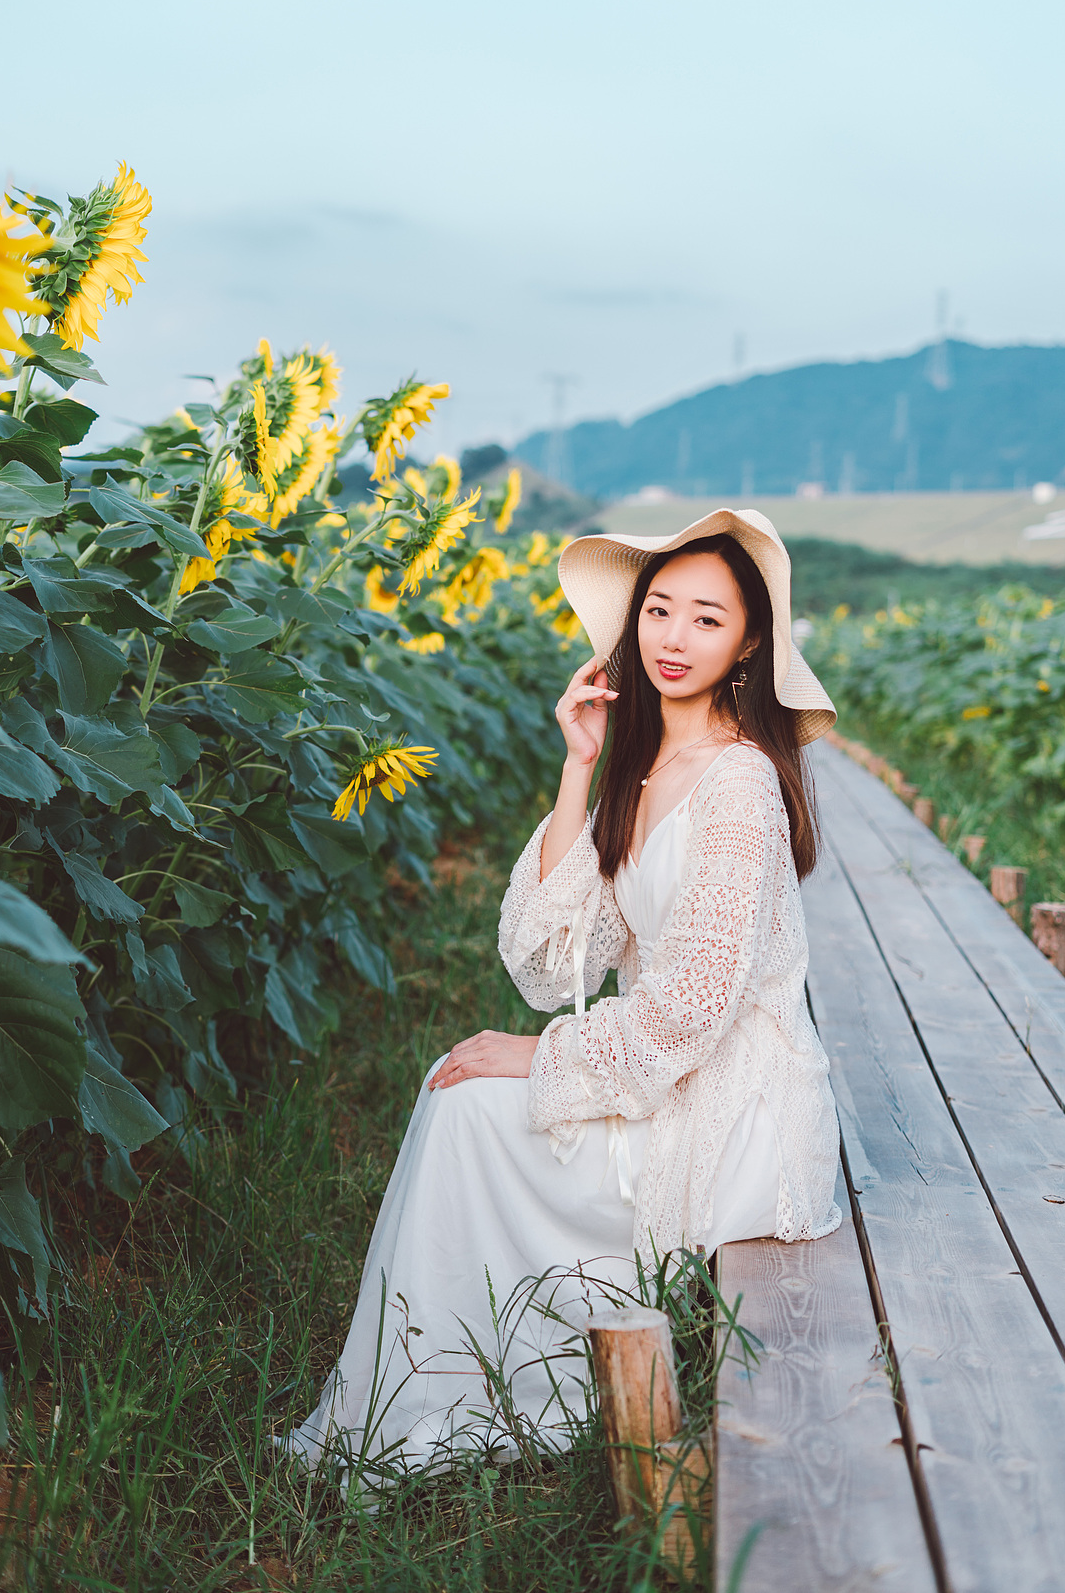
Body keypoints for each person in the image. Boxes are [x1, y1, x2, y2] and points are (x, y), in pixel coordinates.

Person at [288, 508, 842, 1478]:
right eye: (658, 609)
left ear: (749, 642)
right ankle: (419, 1390)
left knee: (468, 1104)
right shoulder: (643, 768)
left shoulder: (740, 784)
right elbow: (548, 960)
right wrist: (578, 764)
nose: (673, 636)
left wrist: (540, 1054)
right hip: (668, 1072)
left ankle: (435, 1400)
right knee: (457, 1091)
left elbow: (694, 1004)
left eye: (706, 618)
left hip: (736, 1111)